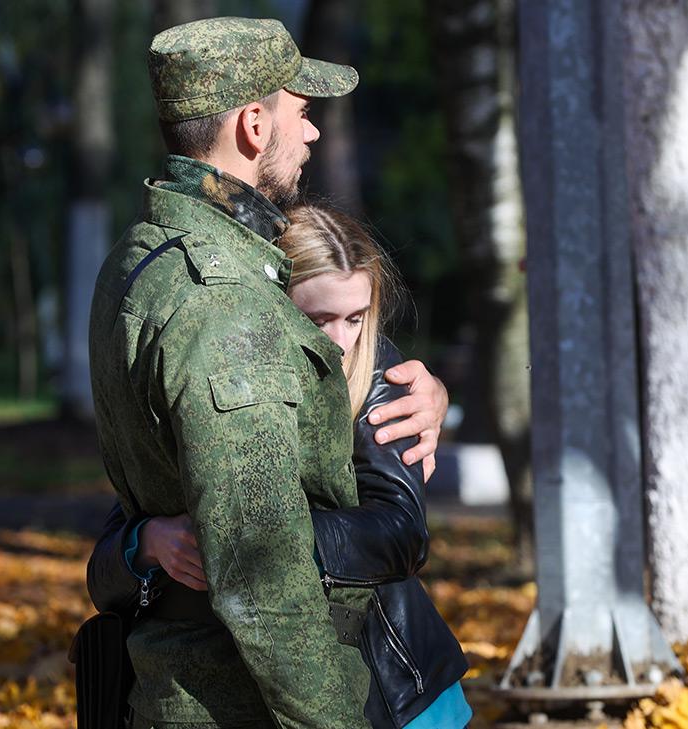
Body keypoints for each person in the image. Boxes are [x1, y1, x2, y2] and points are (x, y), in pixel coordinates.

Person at [86, 17, 447, 729]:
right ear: (255, 124)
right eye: (302, 113)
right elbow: (266, 583)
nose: (311, 134)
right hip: (238, 703)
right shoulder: (226, 305)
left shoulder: (138, 258)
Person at [88, 205, 472, 728]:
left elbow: (404, 532)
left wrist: (253, 534)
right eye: (317, 320)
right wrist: (149, 543)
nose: (340, 343)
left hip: (391, 687)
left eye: (355, 318)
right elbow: (104, 573)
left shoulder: (380, 373)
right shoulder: (225, 370)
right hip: (230, 688)